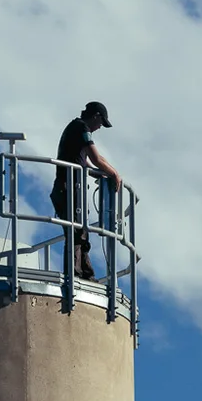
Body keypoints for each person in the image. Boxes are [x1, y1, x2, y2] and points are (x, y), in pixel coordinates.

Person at [51, 100, 120, 280]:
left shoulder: (75, 128)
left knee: (80, 230)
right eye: (101, 123)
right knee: (76, 231)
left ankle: (84, 274)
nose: (99, 128)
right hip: (69, 188)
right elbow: (96, 158)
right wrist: (114, 174)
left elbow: (86, 160)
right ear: (96, 116)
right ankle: (76, 275)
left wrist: (99, 173)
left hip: (71, 187)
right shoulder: (81, 128)